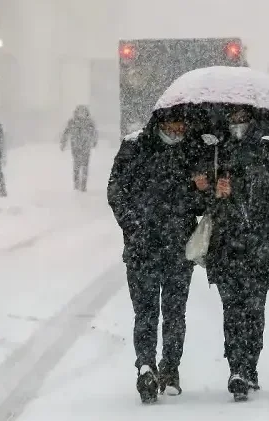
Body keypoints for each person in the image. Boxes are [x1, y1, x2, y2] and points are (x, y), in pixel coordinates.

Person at [194, 105, 269, 401]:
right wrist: (212, 193)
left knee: (254, 311)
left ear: (254, 121)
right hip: (226, 247)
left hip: (260, 247)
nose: (238, 125)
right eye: (233, 119)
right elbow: (201, 205)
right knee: (232, 309)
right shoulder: (216, 155)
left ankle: (249, 366)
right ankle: (237, 368)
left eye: (243, 119)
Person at [107, 106, 205, 404]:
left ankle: (170, 368)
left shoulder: (192, 150)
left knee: (174, 313)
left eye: (181, 127)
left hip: (178, 247)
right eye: (173, 126)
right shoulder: (134, 147)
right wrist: (134, 226)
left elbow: (200, 205)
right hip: (142, 248)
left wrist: (200, 188)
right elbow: (116, 192)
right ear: (160, 122)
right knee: (147, 312)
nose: (178, 132)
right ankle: (147, 366)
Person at [61, 105, 98, 191]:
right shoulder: (73, 122)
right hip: (76, 147)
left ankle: (83, 185)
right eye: (80, 112)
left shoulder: (89, 122)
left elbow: (94, 133)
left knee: (84, 166)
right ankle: (77, 184)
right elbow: (66, 132)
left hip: (85, 147)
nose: (81, 114)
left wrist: (94, 141)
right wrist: (63, 142)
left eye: (83, 112)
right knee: (77, 165)